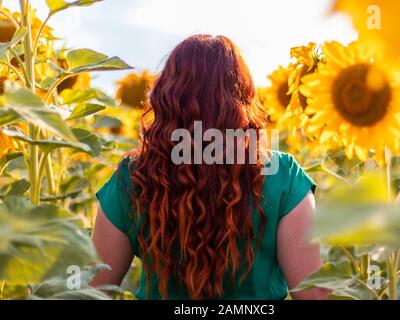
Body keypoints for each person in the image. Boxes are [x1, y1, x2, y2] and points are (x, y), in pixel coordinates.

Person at [92, 34, 327, 300]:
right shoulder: (284, 176)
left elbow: (90, 291)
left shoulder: (132, 179)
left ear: (165, 98)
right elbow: (314, 295)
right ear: (244, 97)